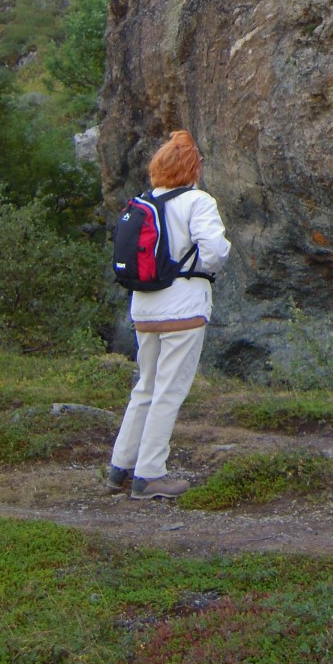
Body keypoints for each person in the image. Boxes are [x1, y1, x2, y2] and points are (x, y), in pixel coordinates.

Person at [106, 129, 231, 499]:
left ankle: (121, 469)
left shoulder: (146, 201)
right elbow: (215, 251)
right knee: (169, 392)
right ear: (192, 167)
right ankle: (150, 475)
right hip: (183, 310)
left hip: (144, 308)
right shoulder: (198, 201)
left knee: (144, 387)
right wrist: (203, 270)